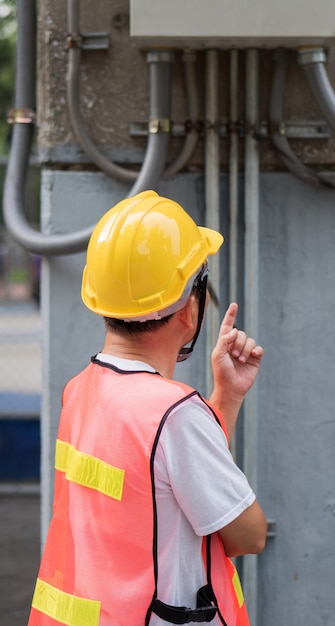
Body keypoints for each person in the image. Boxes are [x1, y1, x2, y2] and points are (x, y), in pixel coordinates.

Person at [28, 190, 267, 626]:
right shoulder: (175, 414)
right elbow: (247, 534)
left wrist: (226, 397)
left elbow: (163, 487)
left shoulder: (81, 391)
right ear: (190, 309)